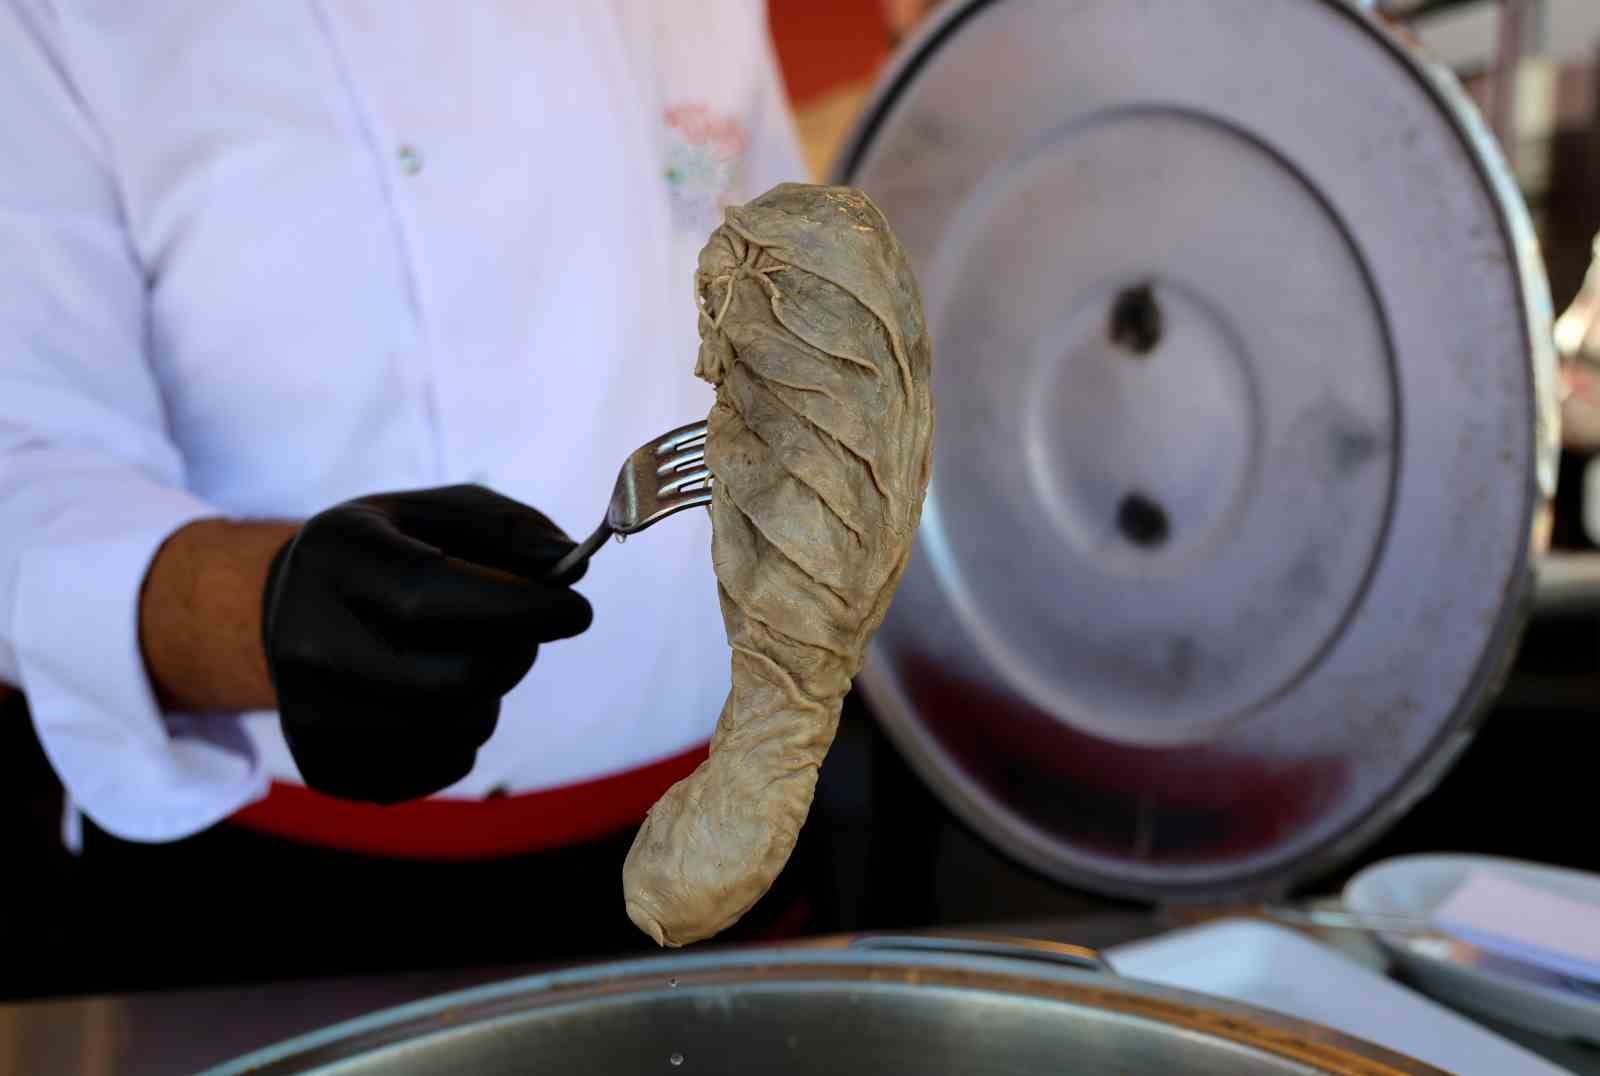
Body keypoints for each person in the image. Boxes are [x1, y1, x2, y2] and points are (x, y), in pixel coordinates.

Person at [0, 0, 812, 995]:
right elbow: (23, 454)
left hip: (725, 842)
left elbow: (780, 291)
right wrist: (257, 604)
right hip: (287, 899)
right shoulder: (59, 23)